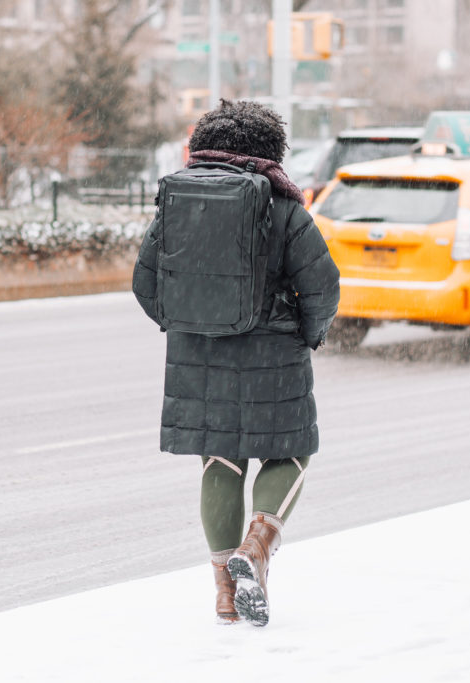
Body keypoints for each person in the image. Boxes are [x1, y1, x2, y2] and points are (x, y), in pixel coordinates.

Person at [132, 99, 340, 627]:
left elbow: (145, 281)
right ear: (270, 150)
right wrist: (305, 334)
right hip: (275, 353)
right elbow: (323, 285)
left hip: (198, 355)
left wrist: (186, 322)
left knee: (220, 460)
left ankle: (225, 592)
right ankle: (259, 546)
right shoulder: (283, 207)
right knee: (289, 453)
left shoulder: (179, 201)